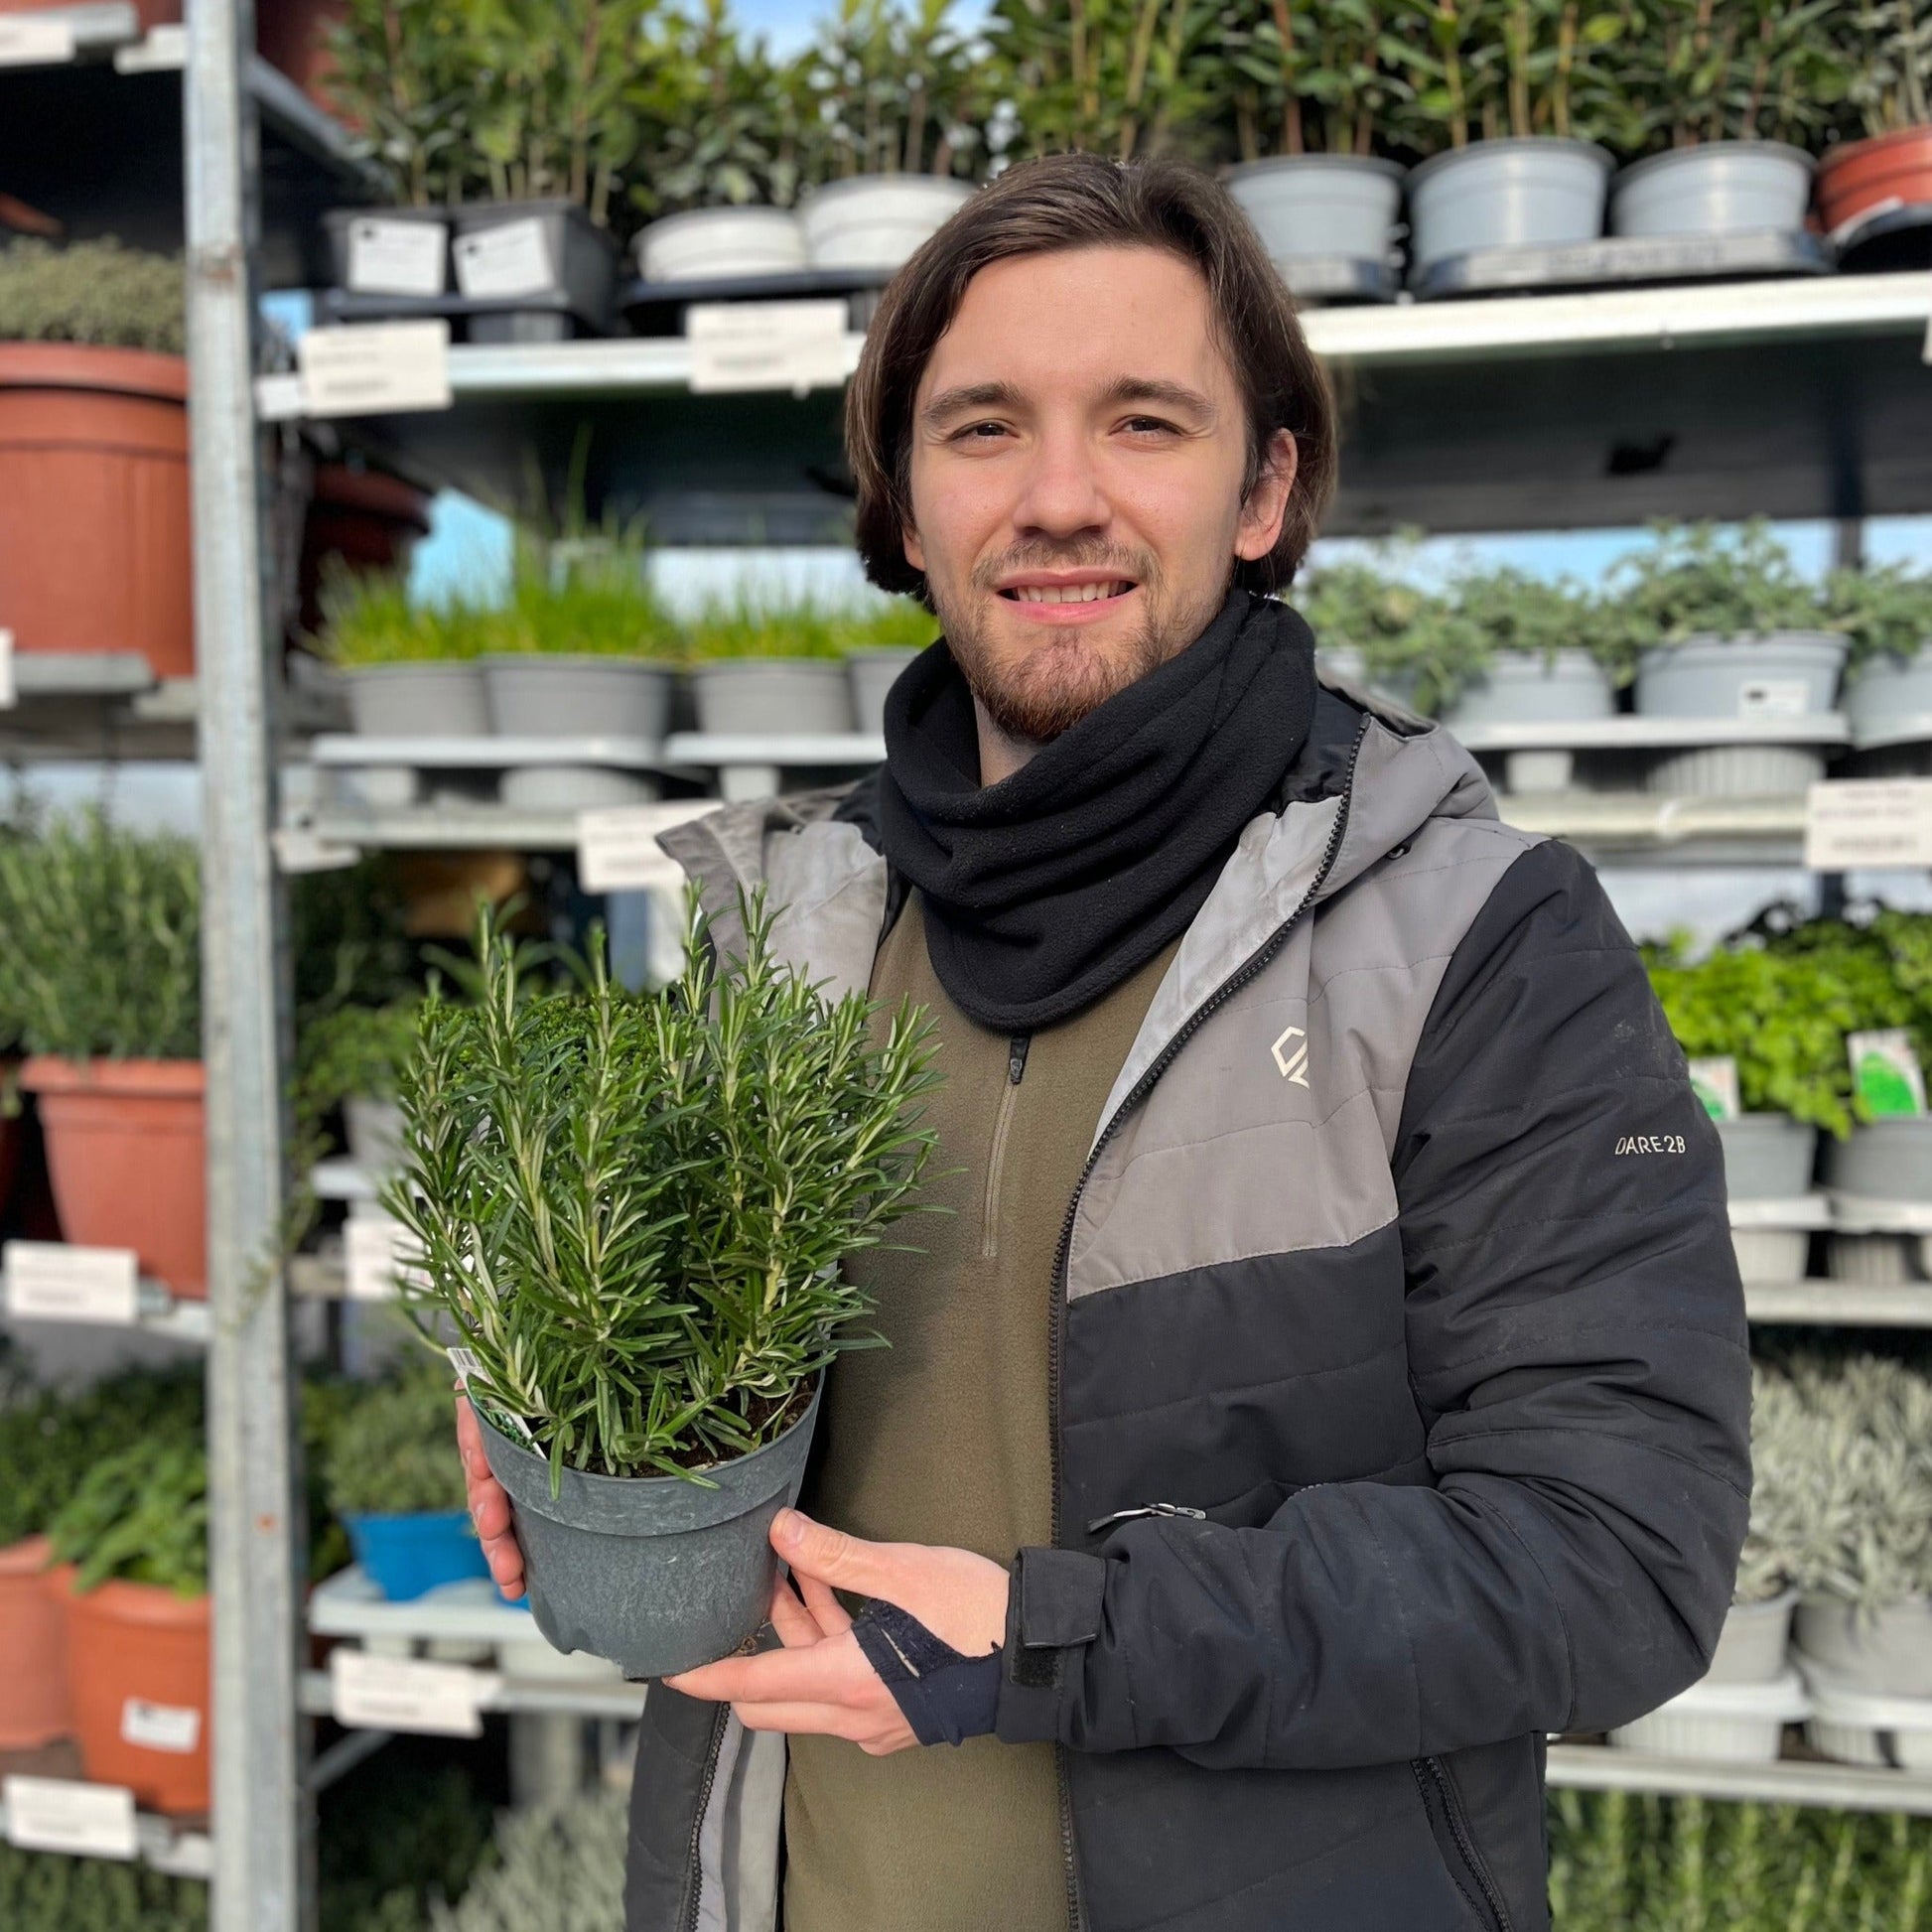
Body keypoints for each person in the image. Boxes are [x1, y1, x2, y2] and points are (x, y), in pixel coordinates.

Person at [456, 150, 1750, 1932]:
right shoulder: (793, 939)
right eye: (982, 428)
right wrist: (566, 1415)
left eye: (1143, 422)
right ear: (905, 504)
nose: (1058, 497)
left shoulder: (1472, 939)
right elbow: (710, 1404)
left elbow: (1617, 1560)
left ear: (1261, 487)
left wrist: (1056, 1636)